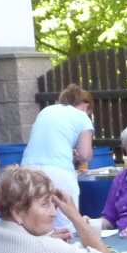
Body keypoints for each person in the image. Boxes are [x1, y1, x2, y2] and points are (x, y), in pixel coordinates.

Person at [22, 83, 94, 229]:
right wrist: (79, 159)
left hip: (27, 169)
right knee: (66, 221)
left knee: (32, 221)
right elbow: (85, 154)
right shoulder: (82, 116)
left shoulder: (46, 111)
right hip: (58, 172)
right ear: (85, 106)